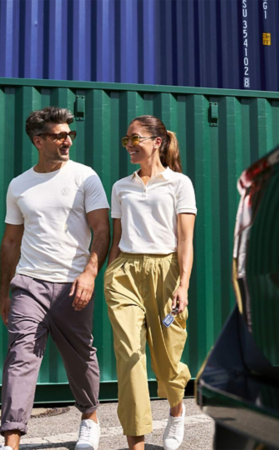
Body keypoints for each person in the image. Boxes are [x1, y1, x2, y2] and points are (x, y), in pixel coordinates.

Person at [0, 107, 109, 450]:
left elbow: (102, 230)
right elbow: (11, 241)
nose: (67, 141)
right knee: (20, 357)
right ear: (38, 141)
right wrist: (4, 292)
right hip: (29, 283)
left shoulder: (85, 177)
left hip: (73, 284)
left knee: (80, 357)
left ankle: (89, 417)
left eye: (69, 135)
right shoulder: (19, 185)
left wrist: (90, 273)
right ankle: (11, 440)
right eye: (59, 136)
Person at [104, 115, 197, 450]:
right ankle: (137, 442)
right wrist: (109, 274)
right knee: (129, 355)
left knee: (168, 362)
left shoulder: (179, 184)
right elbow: (116, 239)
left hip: (166, 271)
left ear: (157, 142)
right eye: (126, 140)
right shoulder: (121, 186)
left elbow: (185, 240)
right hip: (125, 273)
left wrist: (183, 285)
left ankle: (176, 408)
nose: (129, 145)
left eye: (135, 139)